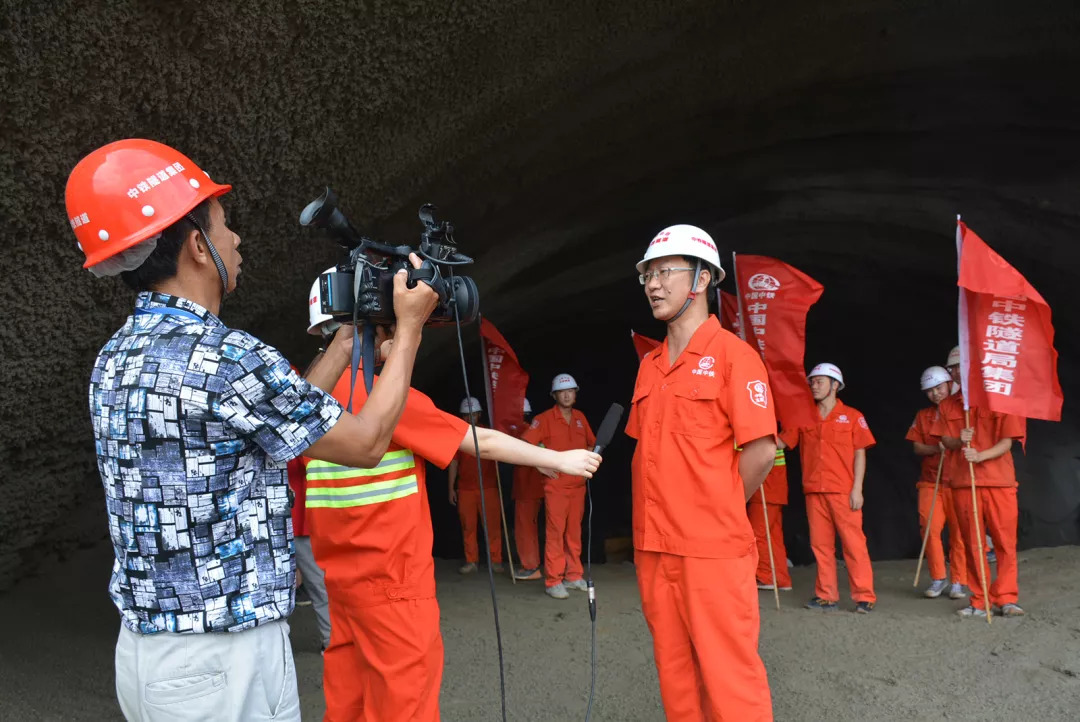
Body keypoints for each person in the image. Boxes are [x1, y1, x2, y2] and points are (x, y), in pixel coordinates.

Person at [69, 139, 439, 721]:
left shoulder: (115, 356)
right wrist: (411, 329)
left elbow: (281, 422)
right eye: (223, 226)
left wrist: (346, 341)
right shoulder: (226, 356)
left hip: (149, 655)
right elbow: (366, 444)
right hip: (224, 659)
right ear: (196, 246)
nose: (236, 240)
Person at [303, 334, 603, 721]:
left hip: (341, 584)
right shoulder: (381, 399)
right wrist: (560, 460)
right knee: (404, 706)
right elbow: (483, 442)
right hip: (393, 584)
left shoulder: (306, 399)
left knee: (349, 704)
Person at [626, 224, 777, 721]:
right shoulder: (649, 365)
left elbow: (759, 452)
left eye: (665, 271)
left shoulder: (737, 357)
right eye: (648, 273)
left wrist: (717, 512)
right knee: (675, 673)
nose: (652, 283)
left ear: (703, 278)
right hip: (655, 547)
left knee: (729, 677)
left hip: (712, 547)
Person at [780, 363, 877, 613]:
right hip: (814, 490)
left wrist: (857, 489)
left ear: (835, 385)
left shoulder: (853, 416)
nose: (814, 385)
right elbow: (782, 442)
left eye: (820, 381)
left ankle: (864, 595)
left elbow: (860, 454)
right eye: (812, 382)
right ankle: (826, 595)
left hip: (843, 491)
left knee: (854, 544)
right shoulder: (803, 416)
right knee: (821, 546)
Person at [932, 371, 1026, 618]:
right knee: (973, 544)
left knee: (1005, 543)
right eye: (953, 368)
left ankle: (1006, 598)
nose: (958, 371)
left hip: (999, 482)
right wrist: (958, 441)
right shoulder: (948, 405)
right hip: (964, 482)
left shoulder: (1002, 397)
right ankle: (979, 600)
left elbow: (1008, 442)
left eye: (962, 365)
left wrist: (980, 455)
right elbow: (943, 439)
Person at [521, 374, 596, 599]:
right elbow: (525, 444)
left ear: (575, 394)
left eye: (571, 391)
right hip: (556, 487)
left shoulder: (581, 417)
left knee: (574, 533)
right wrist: (540, 465)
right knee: (555, 534)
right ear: (554, 395)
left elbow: (592, 443)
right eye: (562, 392)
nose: (566, 395)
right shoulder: (543, 419)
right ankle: (553, 580)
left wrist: (589, 462)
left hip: (578, 487)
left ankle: (573, 576)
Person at [906, 366, 968, 600]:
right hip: (930, 482)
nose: (935, 394)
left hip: (957, 481)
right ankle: (938, 578)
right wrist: (937, 448)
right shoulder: (923, 415)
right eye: (930, 391)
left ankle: (959, 580)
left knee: (959, 532)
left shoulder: (964, 411)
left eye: (939, 388)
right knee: (930, 529)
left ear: (950, 385)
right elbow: (917, 447)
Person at [448, 397, 504, 574]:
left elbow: (500, 456)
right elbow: (454, 463)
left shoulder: (488, 433)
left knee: (493, 526)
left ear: (479, 414)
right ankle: (471, 561)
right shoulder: (458, 435)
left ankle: (496, 561)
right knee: (468, 527)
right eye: (466, 415)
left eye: (473, 414)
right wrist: (451, 488)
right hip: (465, 489)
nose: (470, 418)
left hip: (488, 487)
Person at [747, 447, 792, 591]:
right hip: (774, 492)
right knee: (774, 538)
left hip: (765, 493)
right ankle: (781, 579)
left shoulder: (764, 440)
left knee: (757, 535)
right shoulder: (772, 437)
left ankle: (765, 577)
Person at [512, 398, 546, 581]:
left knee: (525, 529)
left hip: (527, 490)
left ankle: (531, 567)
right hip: (534, 489)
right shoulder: (532, 429)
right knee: (530, 528)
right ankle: (533, 565)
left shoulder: (523, 431)